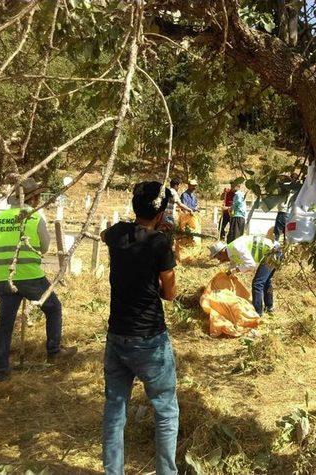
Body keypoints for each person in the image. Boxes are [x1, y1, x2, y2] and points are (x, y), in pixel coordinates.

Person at [100, 181, 179, 475]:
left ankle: (113, 471)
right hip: (149, 339)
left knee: (115, 408)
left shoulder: (118, 233)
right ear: (160, 214)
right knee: (165, 410)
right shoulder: (159, 244)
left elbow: (104, 233)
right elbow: (170, 294)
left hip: (117, 336)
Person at [0, 178, 76, 383]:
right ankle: (54, 351)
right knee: (53, 307)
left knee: (5, 324)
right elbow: (44, 247)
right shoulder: (35, 216)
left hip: (3, 277)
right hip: (29, 276)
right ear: (33, 197)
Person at [209, 235, 279, 316]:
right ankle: (269, 308)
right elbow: (233, 264)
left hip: (273, 252)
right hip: (275, 251)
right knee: (266, 281)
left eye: (218, 258)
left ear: (221, 252)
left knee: (257, 283)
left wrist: (235, 270)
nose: (220, 261)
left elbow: (251, 265)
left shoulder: (236, 247)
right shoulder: (231, 251)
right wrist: (229, 273)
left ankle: (257, 313)